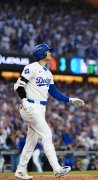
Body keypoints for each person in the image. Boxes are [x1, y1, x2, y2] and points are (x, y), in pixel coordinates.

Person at [13, 43, 85, 179]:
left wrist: (70, 99)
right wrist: (24, 100)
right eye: (47, 51)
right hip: (30, 106)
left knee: (31, 141)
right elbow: (19, 85)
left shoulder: (48, 72)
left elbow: (54, 93)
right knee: (47, 134)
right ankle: (57, 169)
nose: (50, 53)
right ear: (41, 54)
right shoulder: (31, 67)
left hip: (41, 108)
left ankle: (21, 170)